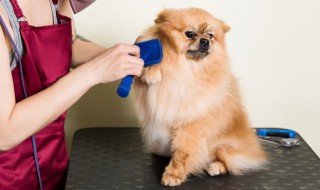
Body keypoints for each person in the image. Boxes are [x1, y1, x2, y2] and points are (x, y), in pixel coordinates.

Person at [0, 0, 144, 189]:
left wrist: (120, 59)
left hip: (54, 167)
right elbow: (5, 133)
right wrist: (95, 72)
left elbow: (68, 44)